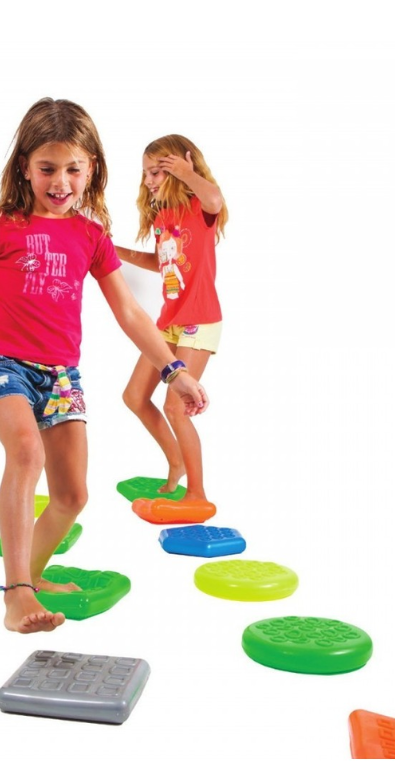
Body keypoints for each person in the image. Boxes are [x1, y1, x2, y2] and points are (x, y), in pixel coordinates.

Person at [0, 99, 209, 633]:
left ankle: (34, 576)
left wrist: (173, 370)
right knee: (26, 451)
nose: (61, 182)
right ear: (25, 166)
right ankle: (16, 592)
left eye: (73, 169)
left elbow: (130, 312)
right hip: (1, 362)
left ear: (92, 169)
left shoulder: (90, 235)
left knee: (72, 495)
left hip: (61, 374)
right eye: (47, 168)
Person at [114, 134, 227, 500]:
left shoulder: (199, 207)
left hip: (199, 320)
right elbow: (162, 262)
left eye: (156, 172)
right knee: (134, 396)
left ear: (178, 170)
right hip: (170, 322)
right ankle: (176, 463)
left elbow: (215, 199)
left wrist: (187, 174)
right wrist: (115, 252)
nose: (148, 180)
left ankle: (197, 493)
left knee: (175, 408)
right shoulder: (164, 217)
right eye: (145, 173)